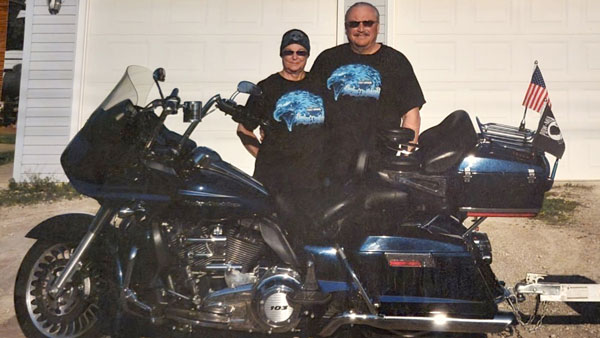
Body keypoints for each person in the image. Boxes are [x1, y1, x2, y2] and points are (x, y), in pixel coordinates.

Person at [310, 2, 425, 185]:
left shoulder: (395, 61)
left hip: (379, 164)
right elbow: (310, 107)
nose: (361, 28)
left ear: (377, 27)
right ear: (346, 28)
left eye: (367, 23)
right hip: (332, 162)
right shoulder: (328, 59)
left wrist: (403, 158)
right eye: (354, 24)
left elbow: (411, 114)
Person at [236, 29, 326, 236]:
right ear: (281, 54)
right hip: (274, 180)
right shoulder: (267, 87)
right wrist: (264, 156)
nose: (295, 57)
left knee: (307, 236)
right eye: (289, 52)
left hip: (312, 180)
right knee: (269, 235)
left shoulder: (320, 85)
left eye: (301, 52)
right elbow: (243, 129)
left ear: (307, 55)